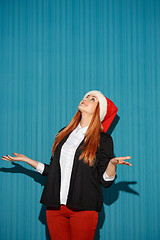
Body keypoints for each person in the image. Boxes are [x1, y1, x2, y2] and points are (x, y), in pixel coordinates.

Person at [1, 90, 132, 240]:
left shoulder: (104, 139)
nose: (87, 99)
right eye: (86, 97)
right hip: (54, 208)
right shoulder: (63, 133)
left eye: (93, 99)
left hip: (84, 209)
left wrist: (112, 164)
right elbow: (54, 171)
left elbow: (105, 181)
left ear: (99, 110)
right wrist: (27, 160)